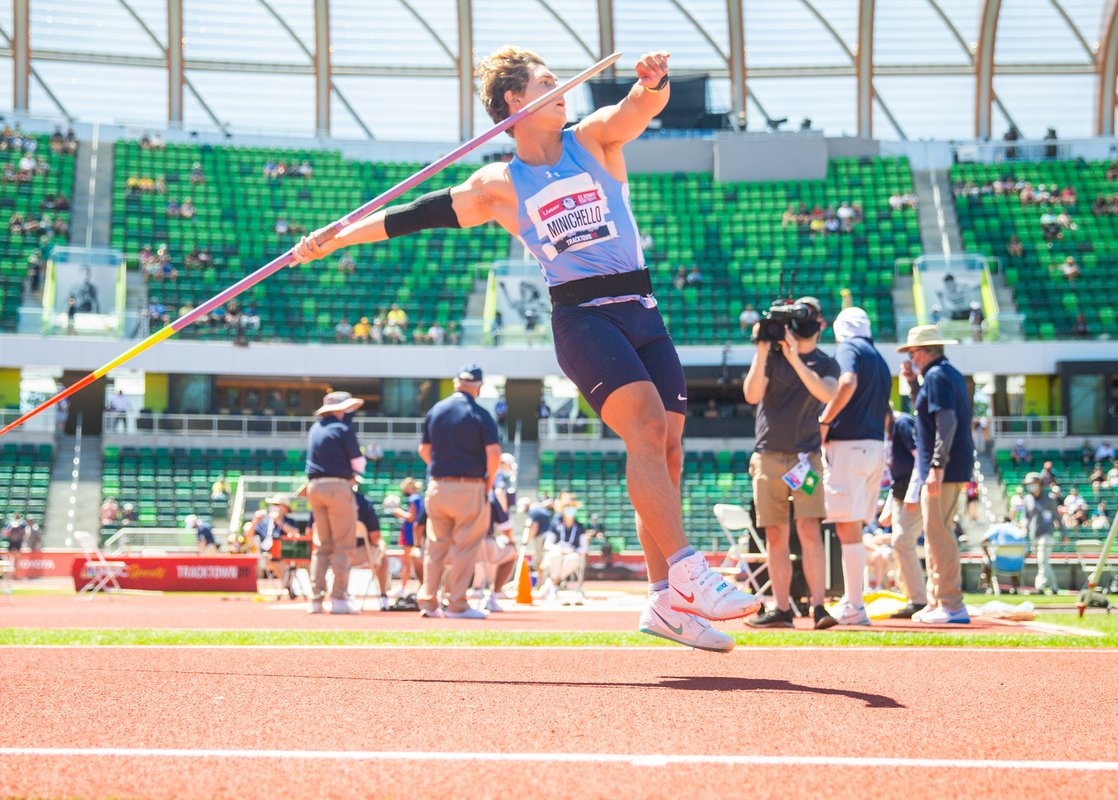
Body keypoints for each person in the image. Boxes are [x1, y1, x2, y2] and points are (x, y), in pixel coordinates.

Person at [291, 47, 758, 651]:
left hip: (642, 311)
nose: (562, 89)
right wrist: (334, 239)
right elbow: (413, 215)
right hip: (584, 318)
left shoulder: (591, 140)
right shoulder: (497, 185)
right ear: (515, 101)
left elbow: (637, 110)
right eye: (546, 83)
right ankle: (693, 572)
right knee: (643, 425)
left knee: (666, 453)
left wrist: (654, 83)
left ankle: (665, 600)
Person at [741, 297, 839, 629]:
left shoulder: (826, 363)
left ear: (821, 325)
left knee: (809, 529)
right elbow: (752, 395)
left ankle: (819, 607)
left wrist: (796, 357)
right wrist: (763, 349)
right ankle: (781, 608)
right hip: (769, 456)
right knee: (775, 533)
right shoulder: (771, 358)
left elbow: (826, 394)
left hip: (805, 457)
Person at [816, 307, 891, 626]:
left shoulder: (848, 349)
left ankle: (855, 605)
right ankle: (854, 600)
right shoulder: (879, 356)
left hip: (849, 445)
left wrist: (824, 419)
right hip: (875, 445)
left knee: (847, 527)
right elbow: (886, 409)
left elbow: (846, 381)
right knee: (856, 526)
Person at [898, 325, 973, 624]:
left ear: (923, 351)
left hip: (944, 467)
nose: (911, 357)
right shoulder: (942, 374)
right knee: (934, 534)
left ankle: (951, 604)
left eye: (913, 351)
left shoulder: (937, 375)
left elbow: (946, 422)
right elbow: (930, 415)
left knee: (939, 535)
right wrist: (912, 384)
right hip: (947, 465)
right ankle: (937, 600)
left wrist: (937, 467)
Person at [416, 364, 501, 619]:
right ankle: (456, 603)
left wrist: (440, 470)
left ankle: (428, 602)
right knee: (466, 546)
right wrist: (488, 481)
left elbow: (423, 450)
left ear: (456, 383)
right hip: (468, 486)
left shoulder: (436, 410)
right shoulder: (480, 413)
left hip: (438, 486)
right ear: (479, 386)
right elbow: (494, 454)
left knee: (436, 546)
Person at [305, 391, 367, 614]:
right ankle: (339, 598)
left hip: (314, 487)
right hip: (337, 487)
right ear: (341, 409)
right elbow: (359, 465)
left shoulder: (315, 429)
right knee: (342, 544)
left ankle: (316, 599)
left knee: (323, 546)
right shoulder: (343, 429)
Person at [883, 406, 926, 618]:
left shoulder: (902, 423)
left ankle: (919, 600)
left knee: (902, 541)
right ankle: (912, 597)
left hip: (913, 492)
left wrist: (913, 492)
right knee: (899, 545)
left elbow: (921, 457)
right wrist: (889, 505)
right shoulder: (890, 429)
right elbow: (895, 471)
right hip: (900, 492)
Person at [350, 481, 392, 611]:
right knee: (382, 552)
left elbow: (312, 532)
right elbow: (375, 536)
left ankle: (320, 597)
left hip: (332, 555)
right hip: (359, 553)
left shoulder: (324, 503)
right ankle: (383, 596)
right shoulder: (363, 501)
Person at [1022, 473, 1061, 594]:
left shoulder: (1049, 498)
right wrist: (1023, 528)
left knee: (1042, 560)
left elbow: (1057, 517)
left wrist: (1063, 532)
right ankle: (1054, 587)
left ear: (1039, 484)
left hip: (1047, 534)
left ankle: (1040, 586)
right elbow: (1026, 517)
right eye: (1028, 484)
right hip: (1034, 535)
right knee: (1043, 562)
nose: (1030, 486)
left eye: (1032, 484)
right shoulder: (1027, 499)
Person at [540, 502, 588, 598]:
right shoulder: (555, 525)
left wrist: (572, 550)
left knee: (573, 558)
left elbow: (584, 547)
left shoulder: (580, 527)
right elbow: (548, 544)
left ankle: (552, 583)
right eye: (568, 508)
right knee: (555, 556)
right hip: (557, 553)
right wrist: (558, 548)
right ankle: (554, 585)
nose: (570, 511)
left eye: (572, 508)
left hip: (572, 554)